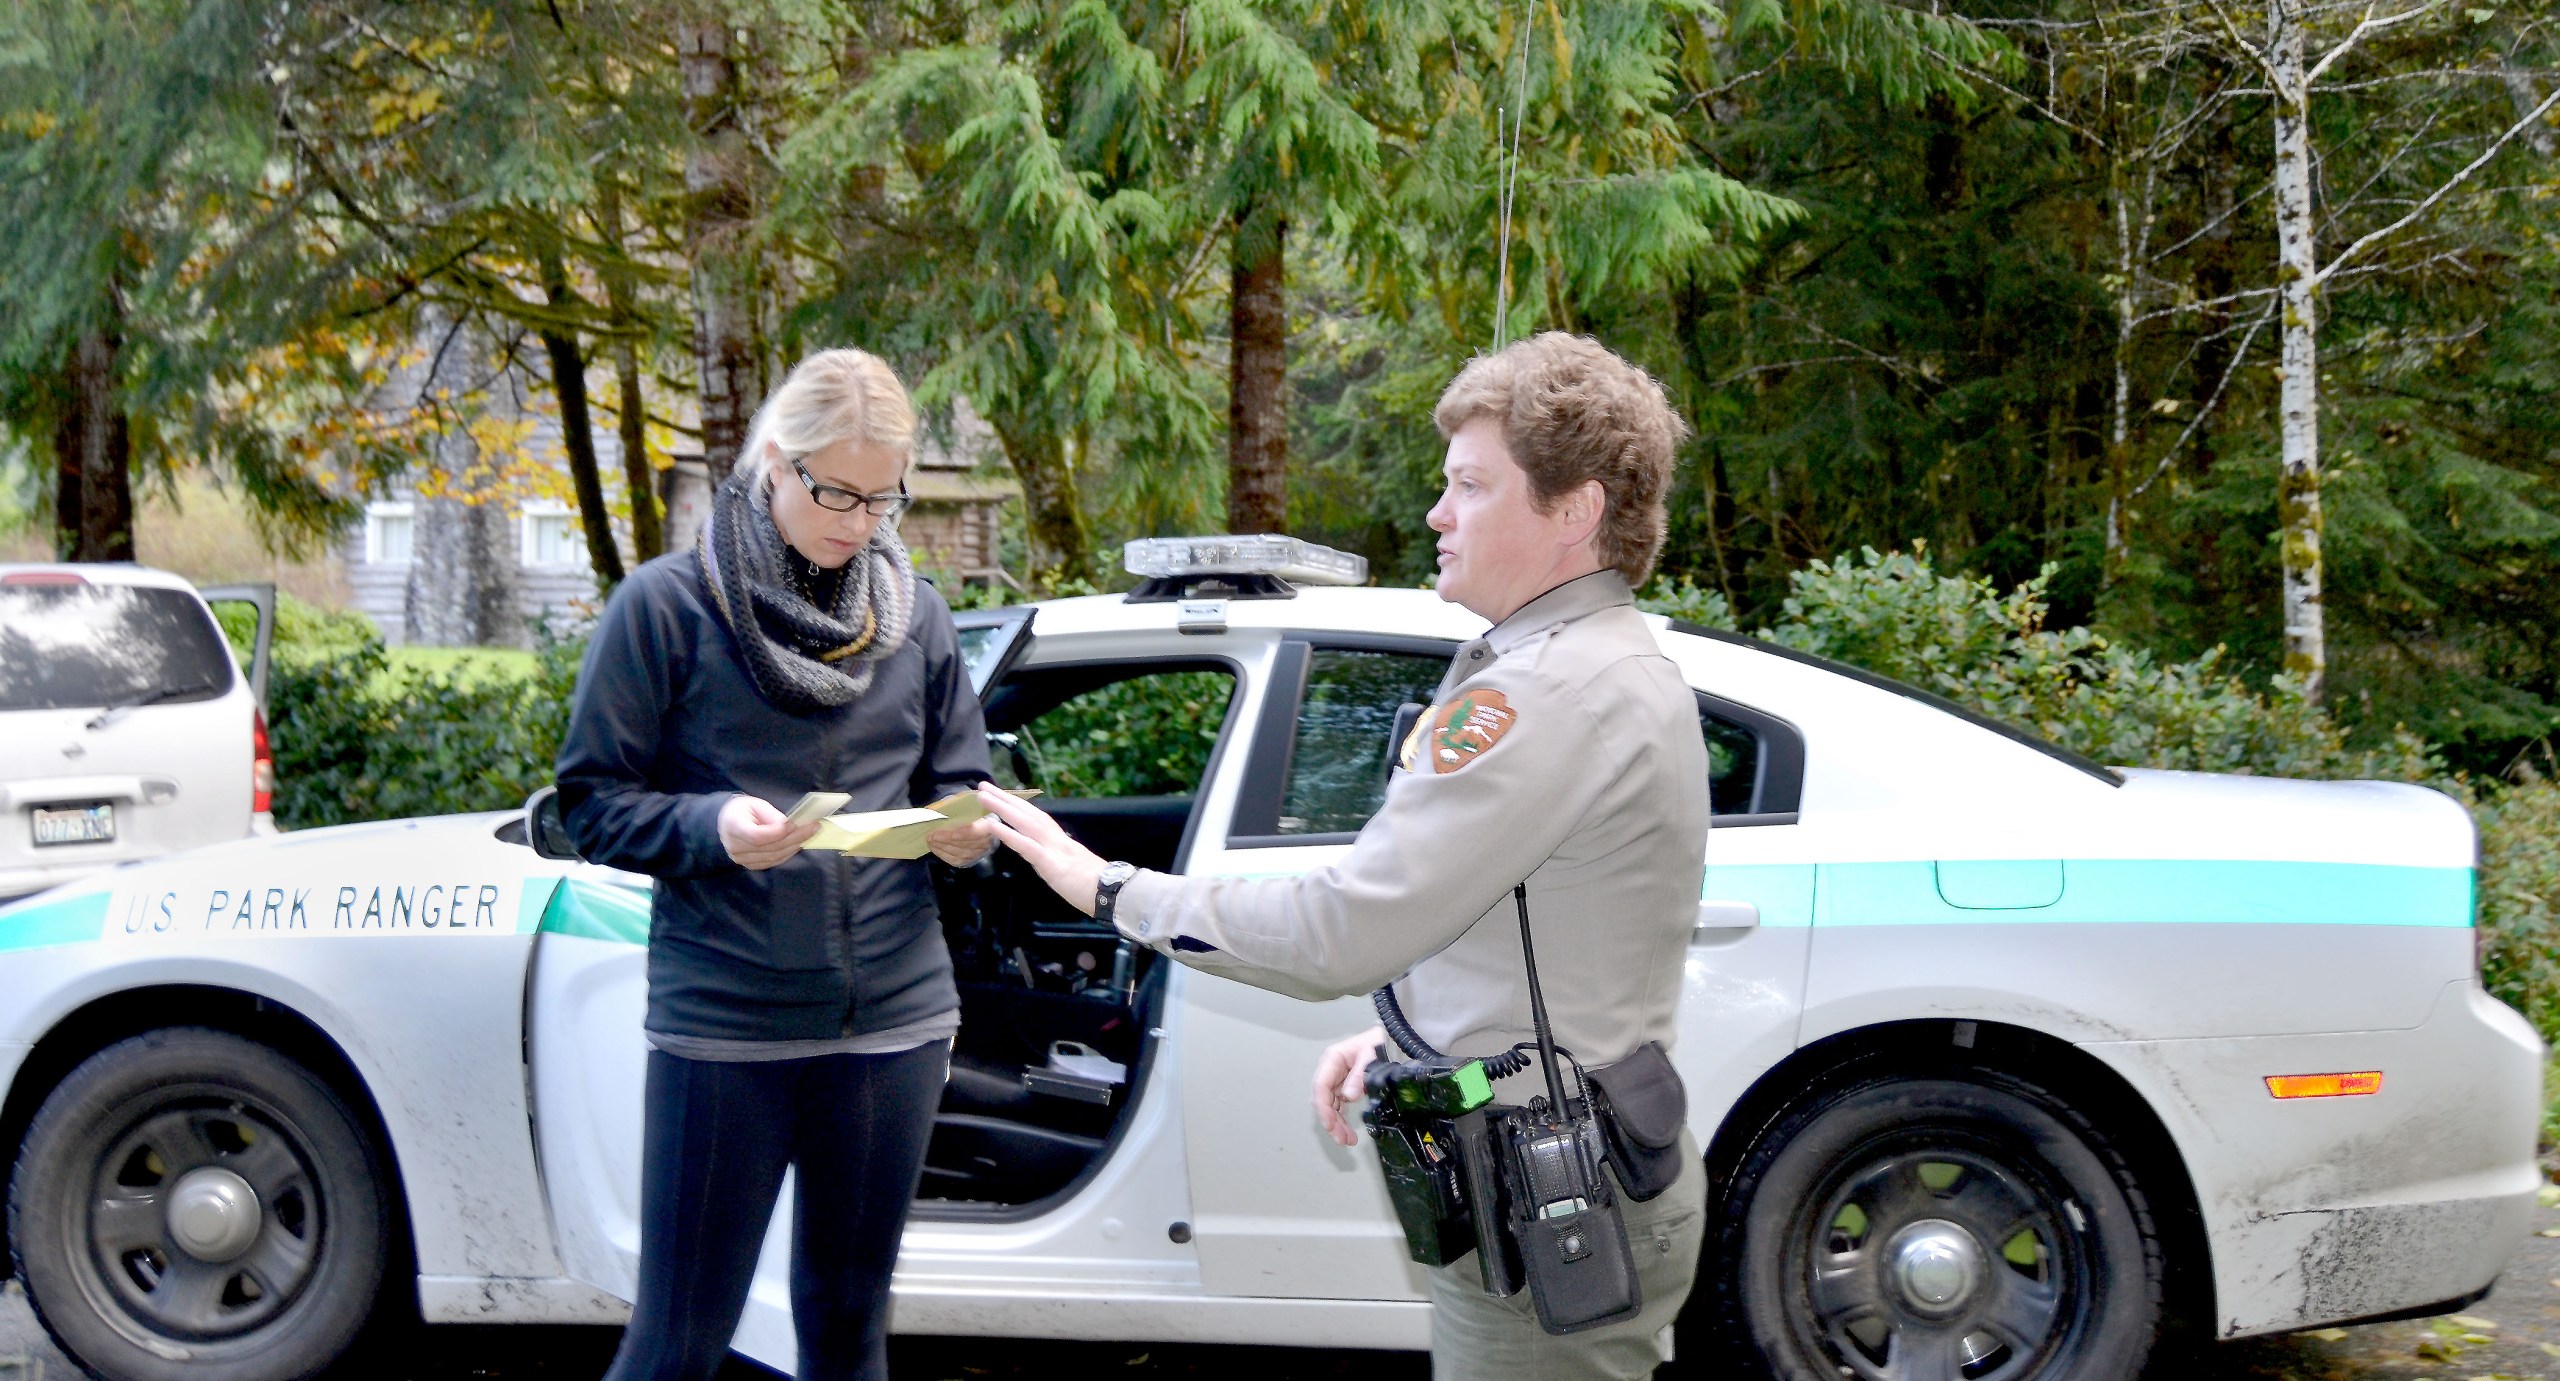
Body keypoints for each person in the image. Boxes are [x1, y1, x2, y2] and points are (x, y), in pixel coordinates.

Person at [978, 332, 1713, 1379]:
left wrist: (1106, 886)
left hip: (1547, 1192)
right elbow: (1523, 916)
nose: (1436, 513)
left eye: (1468, 486)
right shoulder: (1596, 664)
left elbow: (1340, 930)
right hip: (1563, 1159)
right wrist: (1409, 1044)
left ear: (1573, 510)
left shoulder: (1546, 689)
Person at [555, 348, 998, 1381]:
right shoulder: (664, 607)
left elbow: (964, 775)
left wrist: (963, 831)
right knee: (677, 1343)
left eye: (881, 498)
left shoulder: (916, 614)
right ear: (771, 459)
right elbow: (591, 805)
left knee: (849, 1333)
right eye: (835, 490)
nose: (856, 520)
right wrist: (712, 828)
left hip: (893, 1021)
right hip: (728, 1026)